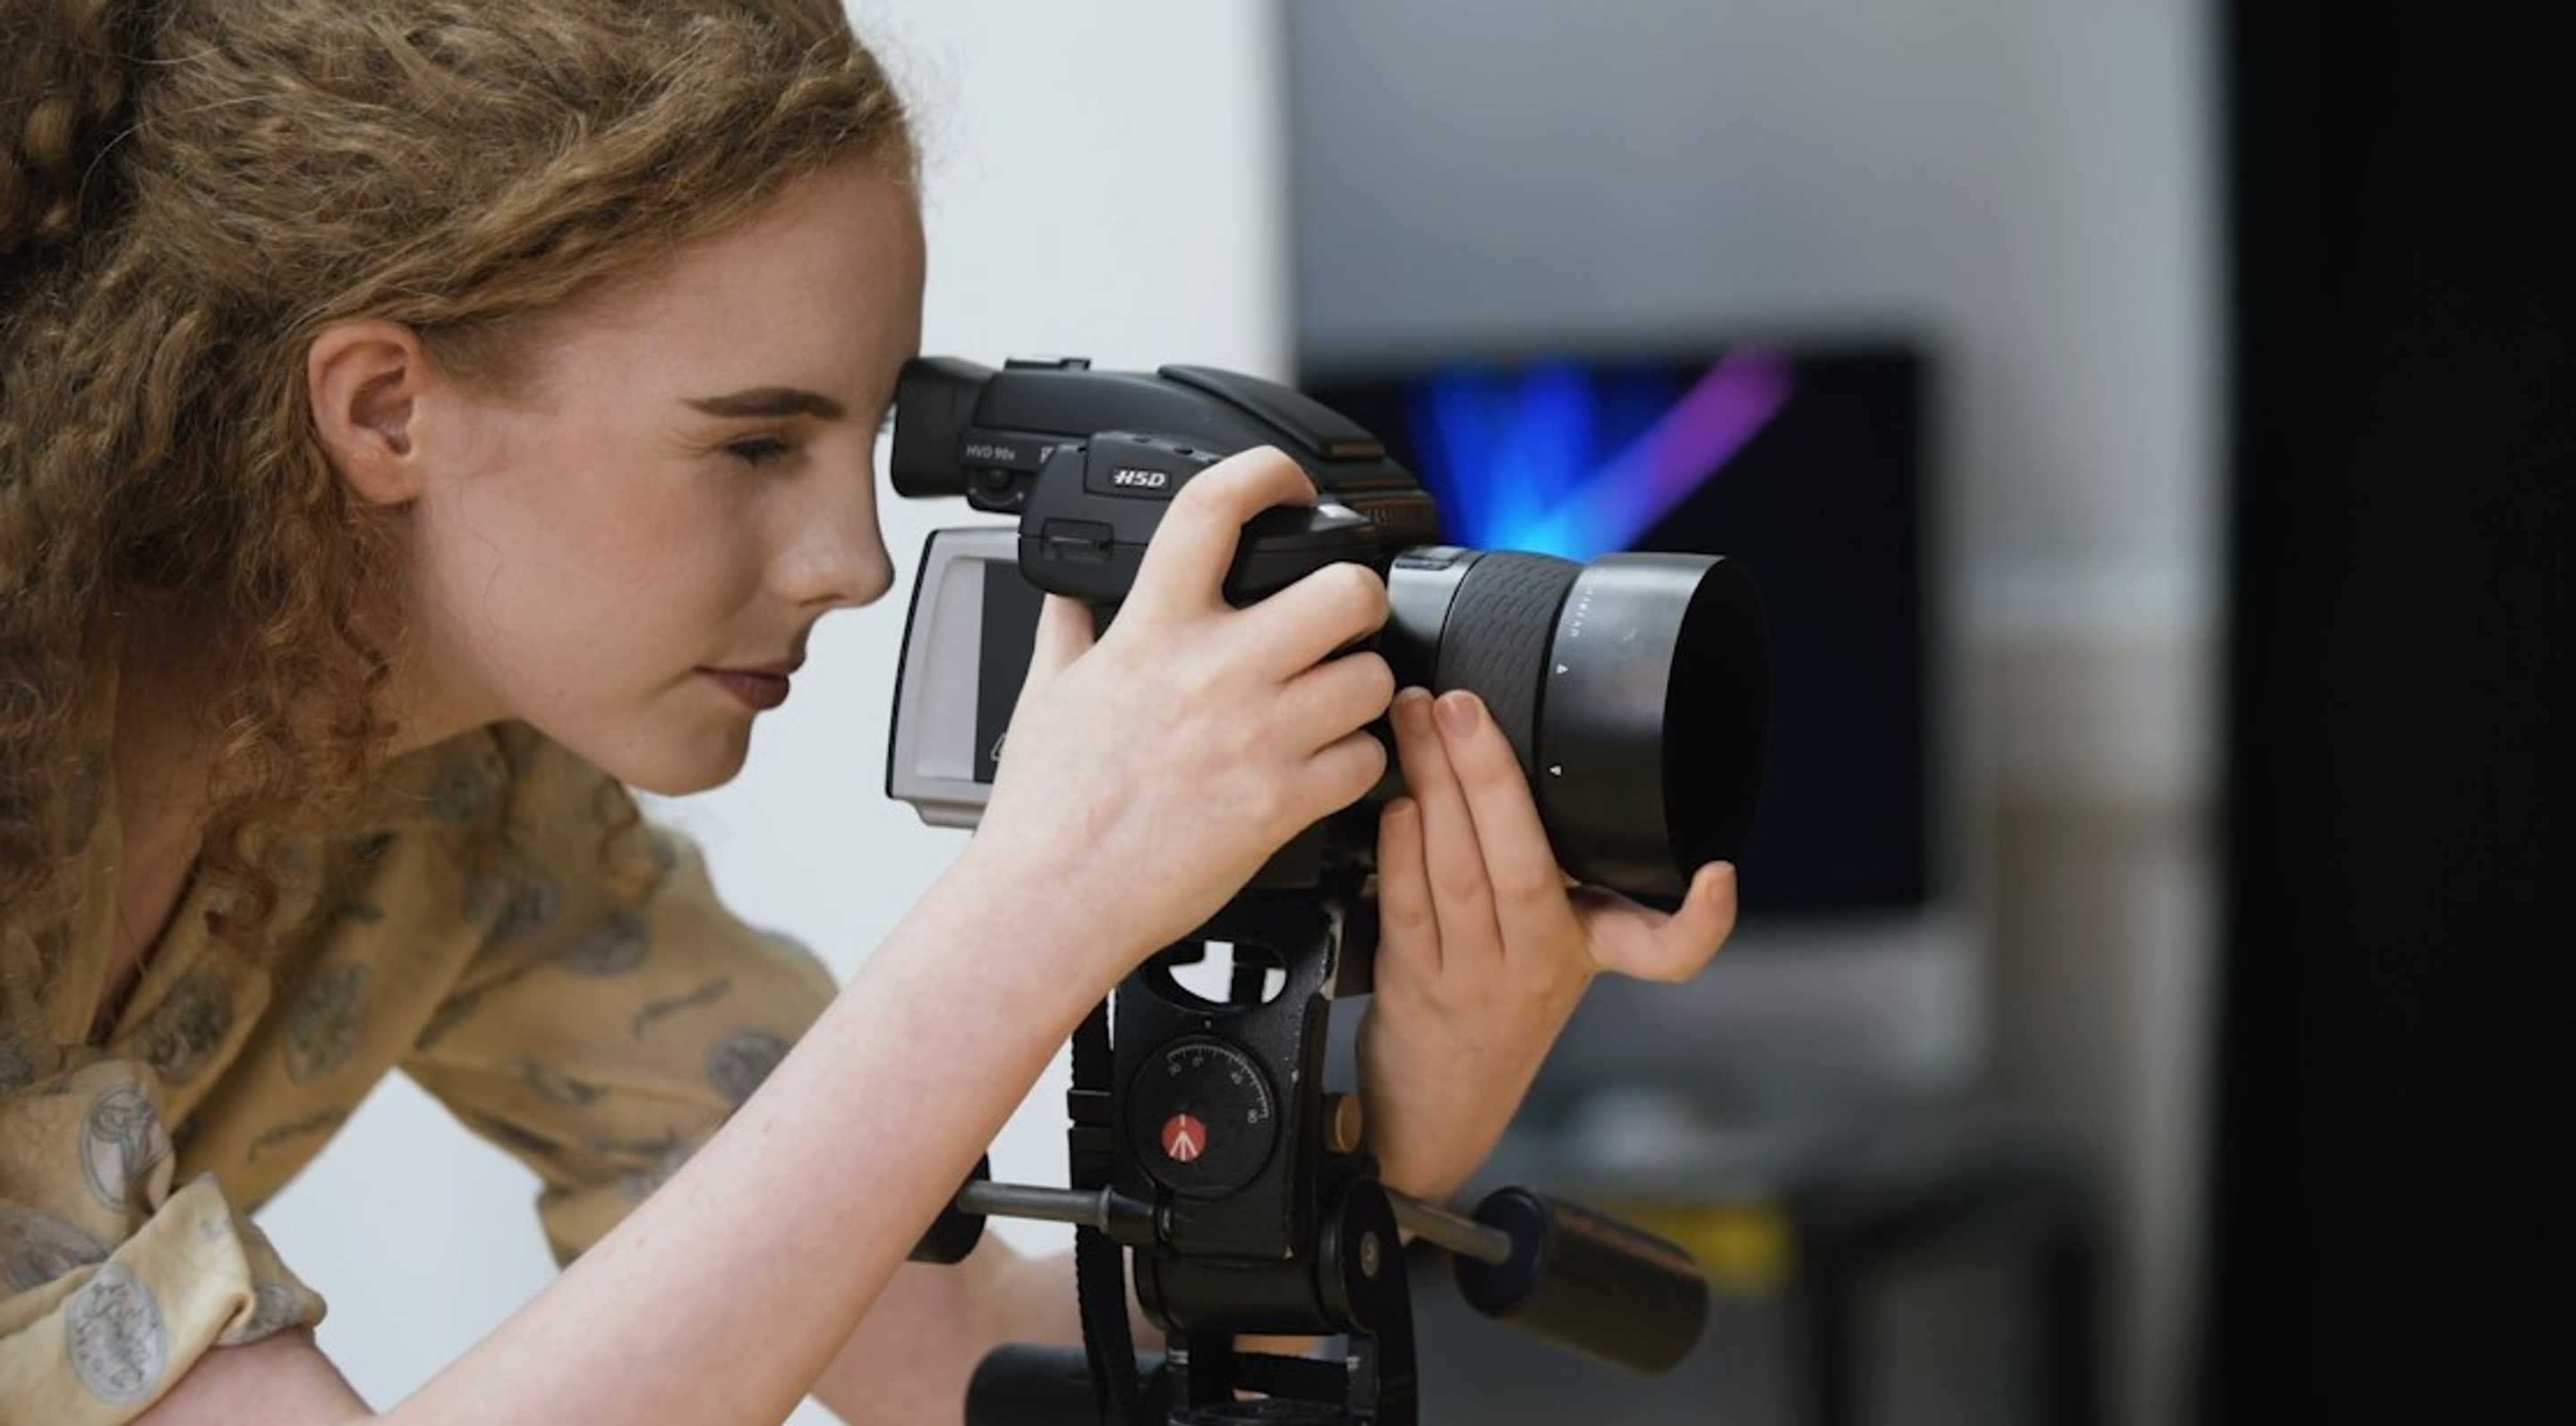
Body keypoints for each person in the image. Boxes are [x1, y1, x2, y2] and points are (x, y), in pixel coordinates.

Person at [0, 1, 1743, 1421]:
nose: (851, 563)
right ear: (386, 408)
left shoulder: (467, 819)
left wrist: (1386, 1109)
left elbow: (944, 1345)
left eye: (864, 448)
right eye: (753, 443)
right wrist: (1041, 905)